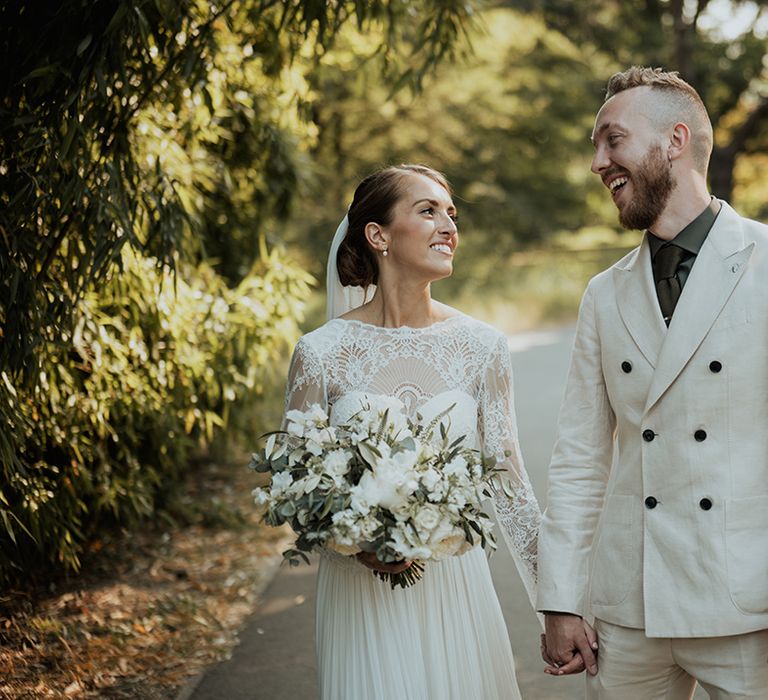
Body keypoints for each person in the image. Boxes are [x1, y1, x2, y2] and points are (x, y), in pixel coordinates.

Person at [537, 65, 768, 697]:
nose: (598, 162)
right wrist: (560, 596)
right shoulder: (604, 294)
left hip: (745, 603)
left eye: (612, 139)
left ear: (676, 140)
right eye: (595, 146)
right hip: (627, 607)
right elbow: (581, 457)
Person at [282, 164, 541, 699]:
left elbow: (511, 486)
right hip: (358, 595)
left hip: (456, 587)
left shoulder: (482, 346)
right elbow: (294, 486)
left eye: (451, 214)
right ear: (377, 235)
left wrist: (556, 604)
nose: (448, 226)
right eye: (428, 211)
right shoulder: (321, 353)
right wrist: (355, 538)